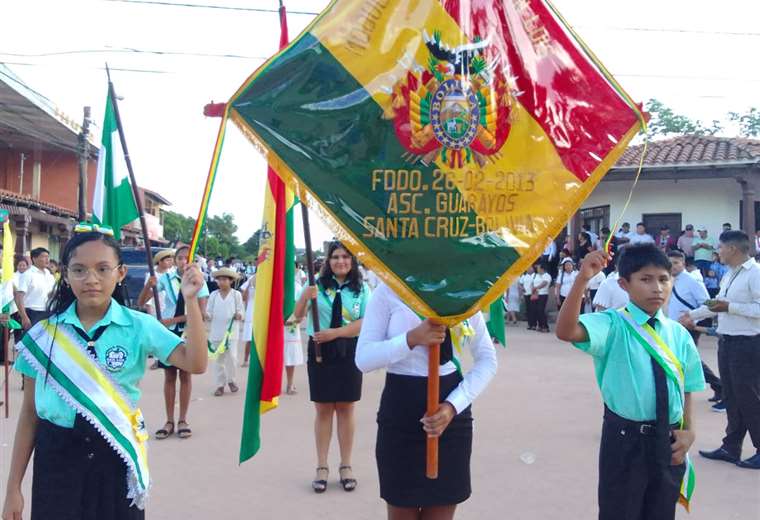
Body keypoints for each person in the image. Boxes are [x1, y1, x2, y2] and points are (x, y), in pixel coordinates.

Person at [1, 226, 207, 520]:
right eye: (80, 270)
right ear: (66, 274)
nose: (91, 279)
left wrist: (190, 300)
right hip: (56, 460)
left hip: (115, 456)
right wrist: (13, 489)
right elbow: (30, 416)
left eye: (102, 269)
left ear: (120, 273)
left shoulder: (139, 325)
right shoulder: (43, 336)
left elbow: (196, 362)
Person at [556, 244, 705, 520]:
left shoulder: (678, 334)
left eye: (663, 279)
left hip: (668, 439)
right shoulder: (612, 324)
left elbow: (687, 387)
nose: (657, 288)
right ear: (624, 284)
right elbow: (566, 331)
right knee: (620, 511)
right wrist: (582, 279)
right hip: (625, 439)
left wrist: (689, 430)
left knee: (661, 511)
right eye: (645, 280)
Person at [356, 283, 497, 519]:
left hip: (450, 413)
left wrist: (453, 406)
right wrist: (411, 339)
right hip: (400, 410)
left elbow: (487, 359)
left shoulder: (463, 289)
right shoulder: (389, 290)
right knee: (401, 509)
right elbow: (363, 358)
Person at [294, 241, 371, 493]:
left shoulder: (362, 290)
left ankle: (346, 465)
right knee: (324, 409)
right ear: (328, 261)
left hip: (350, 351)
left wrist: (335, 333)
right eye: (336, 257)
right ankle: (322, 466)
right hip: (320, 352)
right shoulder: (315, 286)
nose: (341, 261)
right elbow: (297, 316)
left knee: (347, 408)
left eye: (346, 257)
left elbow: (364, 323)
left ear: (353, 261)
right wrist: (305, 297)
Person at [681, 231, 760, 469]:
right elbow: (718, 304)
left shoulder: (755, 274)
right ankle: (731, 446)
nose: (718, 251)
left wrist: (730, 307)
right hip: (727, 342)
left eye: (721, 247)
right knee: (732, 397)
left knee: (750, 397)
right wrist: (691, 315)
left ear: (733, 249)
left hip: (748, 344)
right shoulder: (730, 275)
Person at [138, 245, 209, 440]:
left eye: (188, 258)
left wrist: (175, 320)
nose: (183, 261)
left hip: (188, 333)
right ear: (175, 261)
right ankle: (169, 420)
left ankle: (183, 419)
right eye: (179, 258)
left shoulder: (198, 281)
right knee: (169, 377)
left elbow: (201, 314)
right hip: (168, 335)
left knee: (186, 377)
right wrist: (148, 285)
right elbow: (141, 302)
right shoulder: (166, 279)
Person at [666, 250, 723, 408]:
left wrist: (693, 320)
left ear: (683, 264)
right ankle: (718, 386)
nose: (673, 266)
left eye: (676, 263)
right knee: (686, 359)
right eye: (670, 262)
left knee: (685, 359)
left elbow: (707, 304)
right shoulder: (668, 280)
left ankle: (718, 387)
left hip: (688, 327)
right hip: (672, 326)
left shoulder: (692, 281)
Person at [205, 267, 243, 396]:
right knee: (218, 360)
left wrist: (238, 315)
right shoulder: (213, 295)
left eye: (224, 279)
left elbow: (240, 311)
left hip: (231, 332)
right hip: (216, 331)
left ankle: (231, 380)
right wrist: (206, 315)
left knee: (232, 357)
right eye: (219, 280)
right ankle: (220, 385)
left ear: (231, 281)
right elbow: (208, 311)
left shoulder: (236, 294)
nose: (221, 282)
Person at [14, 247, 56, 330]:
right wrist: (24, 317)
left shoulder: (49, 275)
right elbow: (19, 297)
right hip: (32, 313)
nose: (47, 259)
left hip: (48, 312)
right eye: (44, 256)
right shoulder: (28, 274)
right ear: (34, 258)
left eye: (48, 257)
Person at [240, 273, 255, 367]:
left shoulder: (268, 278)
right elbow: (244, 298)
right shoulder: (251, 279)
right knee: (249, 338)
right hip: (251, 311)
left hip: (263, 312)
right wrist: (249, 285)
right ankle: (246, 360)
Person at [531, 263, 551, 332]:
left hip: (543, 294)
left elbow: (544, 283)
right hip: (536, 294)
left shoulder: (547, 276)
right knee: (536, 310)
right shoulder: (536, 275)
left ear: (542, 269)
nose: (537, 269)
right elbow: (532, 283)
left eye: (538, 268)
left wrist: (536, 287)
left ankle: (545, 326)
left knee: (541, 310)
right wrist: (533, 289)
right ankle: (539, 325)